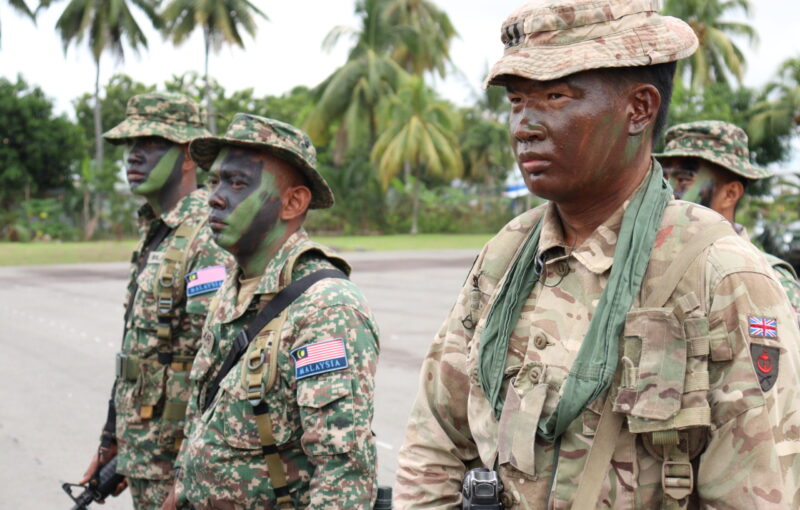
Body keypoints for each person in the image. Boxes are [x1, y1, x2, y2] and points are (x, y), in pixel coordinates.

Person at [393, 1, 800, 508]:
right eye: (518, 101)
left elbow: (753, 494)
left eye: (556, 97)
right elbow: (434, 444)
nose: (524, 126)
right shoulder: (506, 256)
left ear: (640, 108)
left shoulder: (717, 274)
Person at [167, 113, 380, 509]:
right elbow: (204, 419)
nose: (214, 196)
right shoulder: (232, 289)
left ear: (293, 202)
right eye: (214, 180)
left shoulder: (325, 307)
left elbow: (343, 476)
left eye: (237, 183)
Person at [78, 91, 233, 510]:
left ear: (187, 155)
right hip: (145, 452)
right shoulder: (158, 230)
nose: (133, 156)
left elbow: (217, 363)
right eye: (130, 145)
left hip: (180, 465)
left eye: (150, 144)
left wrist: (191, 473)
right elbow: (139, 349)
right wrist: (112, 441)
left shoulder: (206, 234)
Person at [658, 120, 800, 324]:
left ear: (730, 194)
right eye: (664, 177)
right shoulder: (645, 267)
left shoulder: (766, 279)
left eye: (684, 179)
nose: (668, 190)